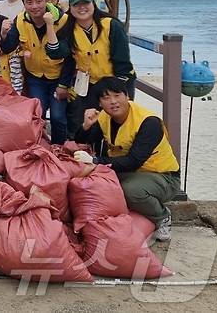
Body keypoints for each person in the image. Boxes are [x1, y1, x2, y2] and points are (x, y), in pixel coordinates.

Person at [74, 76, 180, 241]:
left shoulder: (148, 122)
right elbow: (82, 141)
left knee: (130, 191)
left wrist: (95, 162)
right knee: (93, 183)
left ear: (127, 95)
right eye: (106, 97)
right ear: (100, 103)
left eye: (117, 95)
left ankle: (162, 216)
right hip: (127, 171)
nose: (113, 101)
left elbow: (134, 161)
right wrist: (86, 126)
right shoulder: (104, 117)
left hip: (163, 176)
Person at [46, 0, 136, 133]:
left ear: (93, 4)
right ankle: (84, 152)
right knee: (83, 123)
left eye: (86, 3)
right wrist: (49, 25)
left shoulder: (111, 25)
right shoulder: (70, 31)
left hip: (118, 80)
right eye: (76, 5)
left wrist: (117, 91)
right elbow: (56, 53)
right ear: (71, 9)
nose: (82, 8)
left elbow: (123, 62)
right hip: (88, 84)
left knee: (117, 123)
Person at [0, 0, 74, 143]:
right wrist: (3, 34)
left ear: (46, 0)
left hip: (58, 77)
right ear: (24, 3)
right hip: (35, 78)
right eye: (29, 2)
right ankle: (39, 147)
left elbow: (69, 57)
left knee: (58, 116)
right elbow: (7, 47)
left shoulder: (63, 20)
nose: (34, 6)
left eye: (39, 1)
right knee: (36, 115)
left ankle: (58, 149)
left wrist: (63, 85)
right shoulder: (20, 20)